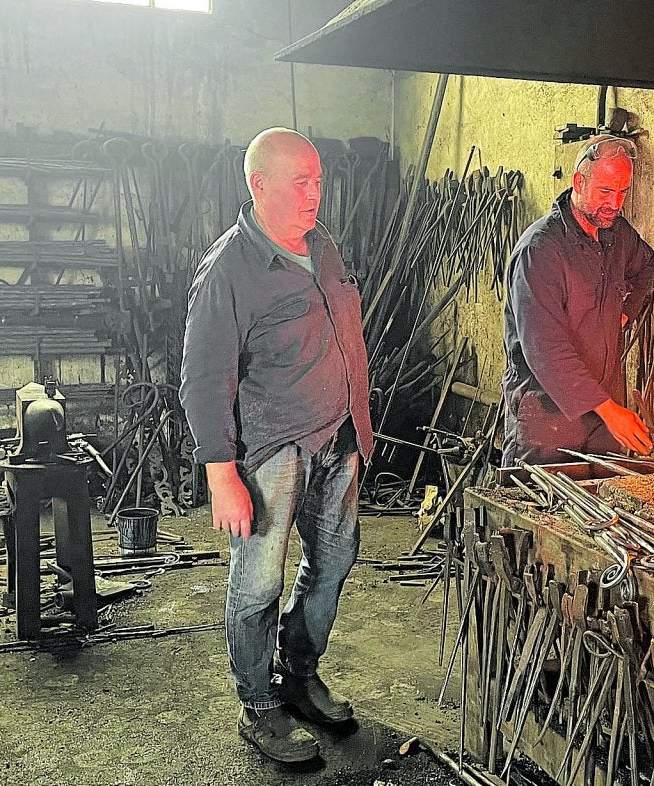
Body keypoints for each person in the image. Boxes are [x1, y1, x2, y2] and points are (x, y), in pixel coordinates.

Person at [180, 127, 373, 763]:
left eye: (318, 179)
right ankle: (257, 705)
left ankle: (298, 674)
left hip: (338, 435)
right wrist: (221, 475)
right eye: (300, 181)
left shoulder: (325, 246)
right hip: (272, 448)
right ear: (258, 185)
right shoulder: (228, 270)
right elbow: (204, 379)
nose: (315, 192)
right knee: (258, 582)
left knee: (333, 564)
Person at [501, 134, 654, 466]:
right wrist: (610, 410)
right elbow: (545, 349)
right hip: (547, 415)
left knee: (606, 507)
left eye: (622, 193)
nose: (615, 204)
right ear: (578, 182)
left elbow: (646, 268)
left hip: (603, 416)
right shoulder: (541, 250)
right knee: (540, 511)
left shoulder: (617, 235)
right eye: (605, 192)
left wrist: (625, 313)